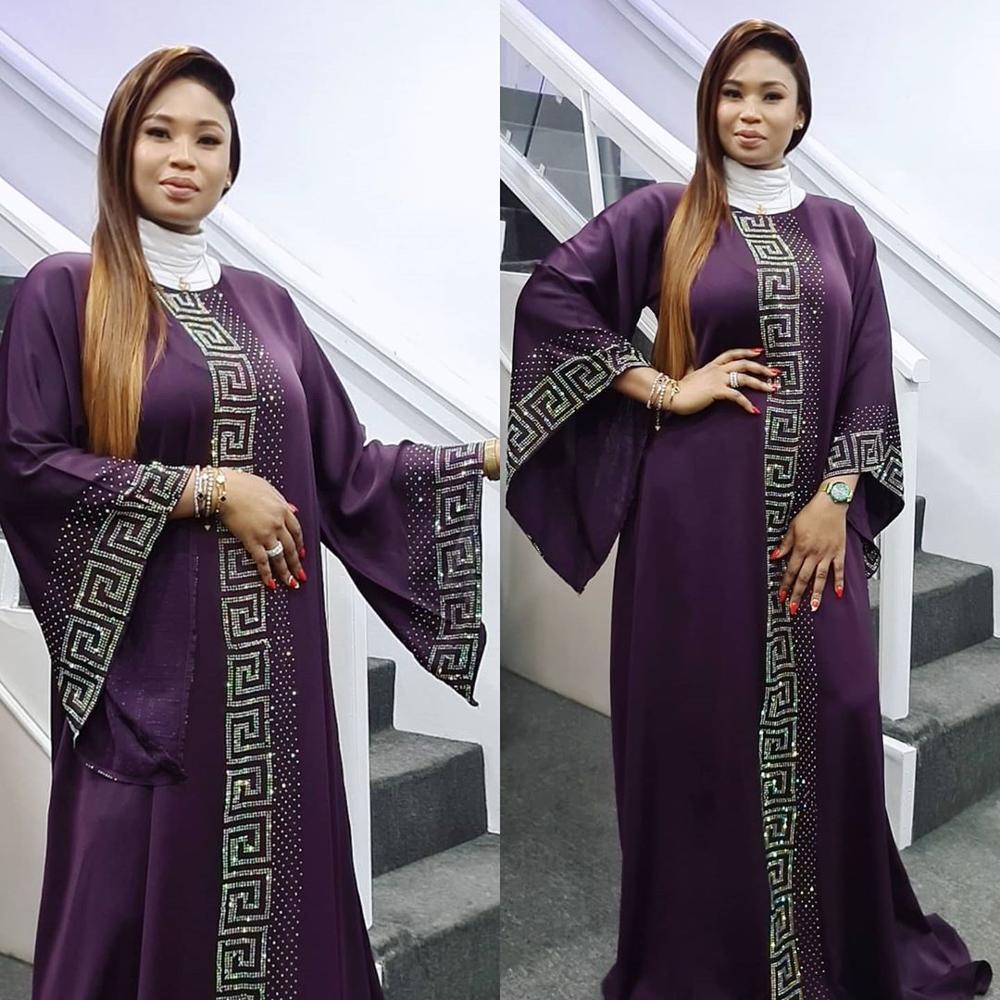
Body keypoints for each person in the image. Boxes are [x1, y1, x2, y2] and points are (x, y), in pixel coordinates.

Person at [504, 19, 992, 1000]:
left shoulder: (841, 231)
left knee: (839, 710)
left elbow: (867, 376)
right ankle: (709, 963)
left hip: (815, 525)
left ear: (801, 112)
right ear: (710, 105)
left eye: (770, 95)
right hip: (689, 523)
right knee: (698, 730)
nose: (749, 112)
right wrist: (659, 384)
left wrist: (836, 497)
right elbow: (552, 302)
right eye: (732, 93)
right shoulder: (665, 213)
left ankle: (823, 952)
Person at [0, 46, 498, 999]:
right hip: (149, 676)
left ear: (232, 167)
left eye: (207, 140)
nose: (182, 156)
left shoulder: (267, 305)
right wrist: (206, 488)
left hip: (276, 671)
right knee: (131, 894)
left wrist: (479, 457)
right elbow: (25, 464)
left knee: (279, 896)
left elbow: (346, 468)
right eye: (159, 133)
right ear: (121, 147)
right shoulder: (66, 291)